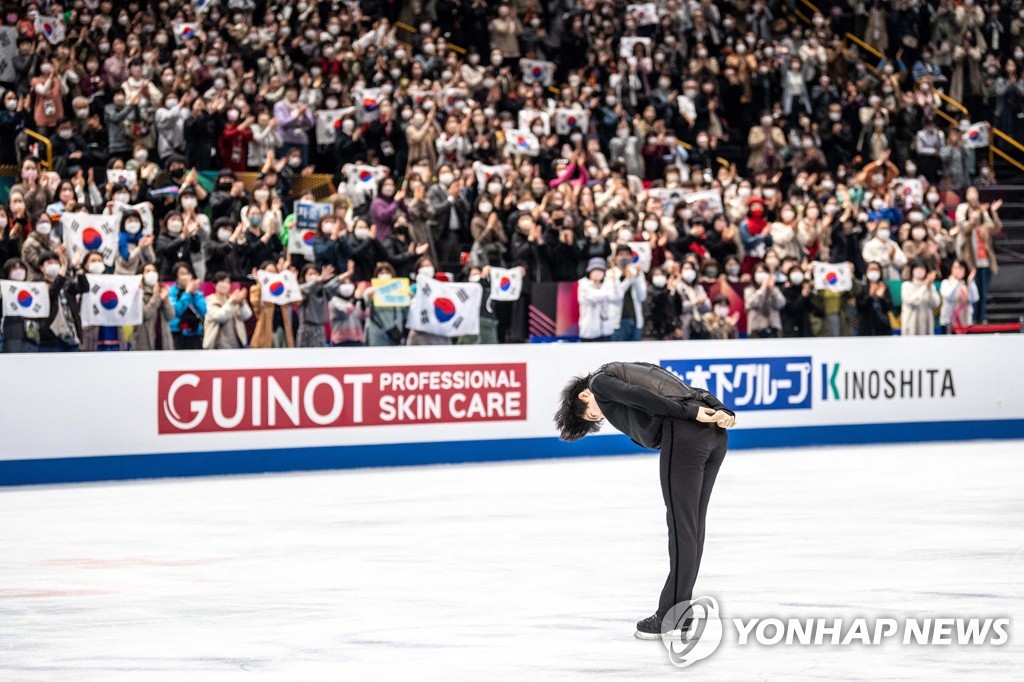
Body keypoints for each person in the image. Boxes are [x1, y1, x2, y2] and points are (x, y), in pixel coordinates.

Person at [555, 362, 735, 639]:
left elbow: (645, 399)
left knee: (682, 528)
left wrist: (692, 412)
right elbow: (688, 390)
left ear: (583, 396)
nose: (599, 416)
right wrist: (721, 409)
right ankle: (681, 613)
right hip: (715, 438)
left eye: (592, 414)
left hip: (685, 435)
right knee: (693, 528)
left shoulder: (599, 383)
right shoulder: (633, 369)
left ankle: (670, 617)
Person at [131, 263, 176, 351]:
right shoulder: (138, 294)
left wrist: (165, 299)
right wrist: (156, 297)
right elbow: (144, 315)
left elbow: (171, 315)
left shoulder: (162, 292)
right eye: (148, 271)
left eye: (154, 271)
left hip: (163, 342)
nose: (152, 273)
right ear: (141, 275)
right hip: (144, 343)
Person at [203, 272, 253, 349]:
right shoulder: (209, 301)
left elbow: (246, 315)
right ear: (214, 285)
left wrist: (242, 303)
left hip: (236, 344)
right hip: (217, 345)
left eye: (227, 282)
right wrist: (231, 302)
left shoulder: (234, 298)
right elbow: (220, 317)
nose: (224, 285)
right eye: (221, 282)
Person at [577, 257, 619, 342]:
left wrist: (614, 282)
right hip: (589, 333)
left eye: (600, 270)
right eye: (594, 270)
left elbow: (616, 298)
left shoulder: (607, 284)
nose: (597, 273)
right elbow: (594, 297)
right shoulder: (583, 284)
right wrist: (608, 288)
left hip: (606, 331)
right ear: (589, 271)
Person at [939, 259, 980, 334]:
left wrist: (970, 282)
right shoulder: (946, 283)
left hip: (966, 321)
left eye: (960, 268)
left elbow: (975, 298)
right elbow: (949, 297)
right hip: (949, 321)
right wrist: (955, 282)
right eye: (955, 268)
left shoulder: (968, 284)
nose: (957, 270)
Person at [900, 261, 940, 336]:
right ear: (912, 270)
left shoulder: (930, 286)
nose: (919, 271)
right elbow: (912, 301)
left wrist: (930, 287)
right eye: (916, 269)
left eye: (922, 269)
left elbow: (936, 303)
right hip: (910, 325)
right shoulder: (906, 285)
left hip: (926, 326)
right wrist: (924, 286)